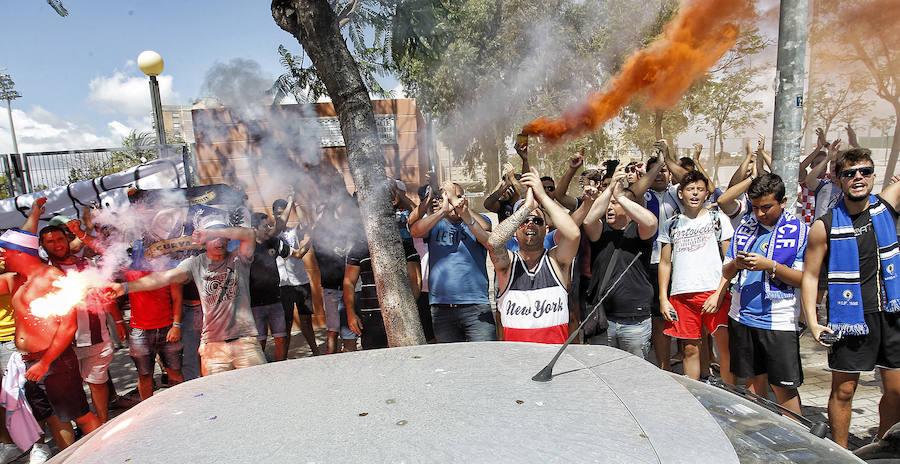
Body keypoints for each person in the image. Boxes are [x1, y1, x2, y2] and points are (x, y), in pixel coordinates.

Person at [802, 148, 900, 447]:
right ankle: (840, 452)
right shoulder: (824, 226)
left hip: (891, 312)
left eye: (865, 172)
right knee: (844, 391)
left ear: (872, 176)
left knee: (896, 391)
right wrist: (813, 322)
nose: (858, 178)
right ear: (837, 179)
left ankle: (884, 447)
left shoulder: (886, 207)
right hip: (850, 318)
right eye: (850, 173)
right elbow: (810, 276)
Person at [110, 217, 265, 376]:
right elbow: (165, 277)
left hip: (246, 341)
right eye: (212, 238)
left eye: (221, 237)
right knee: (219, 396)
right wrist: (126, 287)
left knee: (258, 391)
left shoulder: (239, 259)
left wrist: (211, 232)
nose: (218, 241)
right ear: (204, 242)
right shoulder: (195, 263)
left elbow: (249, 234)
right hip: (213, 347)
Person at [1, 227, 101, 454]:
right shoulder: (16, 281)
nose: (2, 256)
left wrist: (45, 362)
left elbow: (68, 325)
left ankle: (110, 456)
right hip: (31, 363)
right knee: (55, 418)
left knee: (81, 415)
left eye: (5, 251)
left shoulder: (52, 277)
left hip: (54, 362)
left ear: (19, 252)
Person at [719, 174, 807, 415]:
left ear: (783, 202)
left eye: (766, 207)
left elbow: (804, 280)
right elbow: (725, 271)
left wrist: (771, 266)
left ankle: (795, 444)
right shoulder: (745, 227)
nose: (759, 214)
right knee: (753, 384)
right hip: (742, 317)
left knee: (784, 389)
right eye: (755, 207)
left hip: (778, 320)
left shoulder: (800, 232)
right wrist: (736, 263)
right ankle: (761, 435)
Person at [37, 224, 124, 424]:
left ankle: (101, 424)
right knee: (72, 389)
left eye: (60, 239)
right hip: (64, 344)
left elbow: (105, 293)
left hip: (97, 336)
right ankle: (85, 426)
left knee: (98, 382)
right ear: (42, 245)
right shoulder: (43, 273)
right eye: (50, 241)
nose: (57, 245)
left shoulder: (87, 264)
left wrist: (118, 320)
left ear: (67, 240)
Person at [486, 168, 579, 343]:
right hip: (518, 360)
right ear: (514, 231)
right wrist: (527, 207)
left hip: (554, 359)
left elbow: (573, 234)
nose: (530, 224)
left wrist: (542, 197)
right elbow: (494, 242)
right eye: (524, 221)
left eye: (537, 221)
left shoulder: (557, 260)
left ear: (546, 229)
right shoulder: (508, 264)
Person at [658, 170, 734, 382]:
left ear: (706, 194)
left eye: (700, 190)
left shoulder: (718, 219)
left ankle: (730, 395)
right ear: (680, 193)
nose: (695, 194)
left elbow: (730, 260)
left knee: (724, 349)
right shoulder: (670, 224)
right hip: (681, 295)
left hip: (714, 293)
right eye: (690, 189)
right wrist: (663, 299)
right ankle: (693, 396)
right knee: (690, 349)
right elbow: (665, 263)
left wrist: (719, 292)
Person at [583, 167, 658, 357]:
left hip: (634, 321)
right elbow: (588, 221)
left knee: (633, 375)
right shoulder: (602, 231)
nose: (609, 207)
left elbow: (651, 223)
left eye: (614, 204)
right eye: (609, 204)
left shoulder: (639, 231)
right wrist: (610, 190)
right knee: (601, 375)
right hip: (603, 320)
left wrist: (622, 197)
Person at [409, 181, 496, 343]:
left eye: (458, 196)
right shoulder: (435, 223)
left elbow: (487, 226)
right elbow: (414, 230)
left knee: (485, 360)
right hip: (442, 309)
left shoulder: (475, 222)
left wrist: (461, 206)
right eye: (448, 198)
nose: (454, 202)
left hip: (476, 306)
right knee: (451, 363)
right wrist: (443, 211)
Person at [343, 233, 421, 349]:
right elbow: (349, 282)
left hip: (401, 315)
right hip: (371, 317)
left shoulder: (404, 245)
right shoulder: (359, 248)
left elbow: (416, 281)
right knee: (374, 359)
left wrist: (408, 309)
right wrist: (350, 313)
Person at [122, 260, 185, 401]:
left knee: (174, 372)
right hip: (139, 330)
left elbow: (177, 298)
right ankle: (147, 411)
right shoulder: (129, 265)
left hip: (167, 327)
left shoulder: (166, 265)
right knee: (145, 375)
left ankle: (181, 404)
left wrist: (176, 326)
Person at [272, 199, 319, 356]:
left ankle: (316, 352)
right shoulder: (271, 234)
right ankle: (283, 357)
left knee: (306, 321)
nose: (280, 215)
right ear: (273, 214)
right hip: (282, 285)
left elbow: (305, 225)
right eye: (277, 213)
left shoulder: (293, 231)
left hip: (301, 282)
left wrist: (296, 204)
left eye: (283, 212)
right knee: (286, 323)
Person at [249, 212, 290, 361]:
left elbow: (289, 253)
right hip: (255, 304)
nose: (268, 229)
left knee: (281, 339)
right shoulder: (247, 247)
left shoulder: (273, 242)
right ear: (254, 228)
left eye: (269, 225)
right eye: (265, 226)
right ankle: (261, 372)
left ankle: (280, 371)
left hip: (275, 301)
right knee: (259, 342)